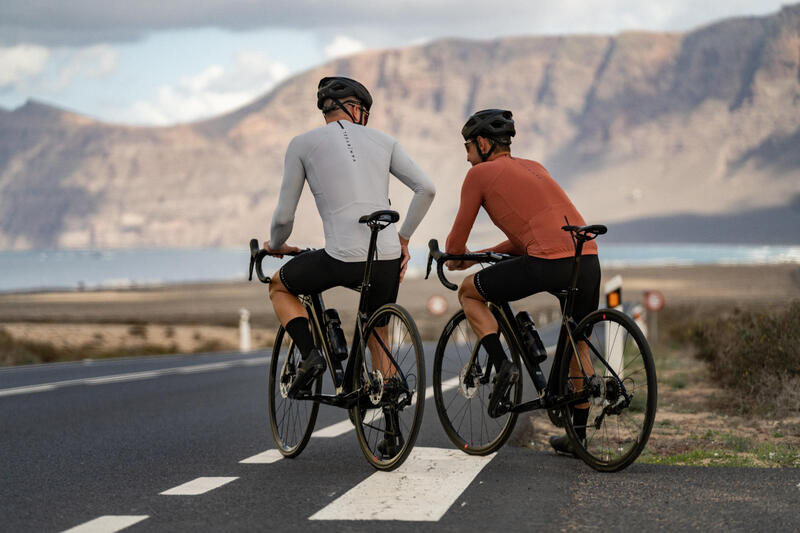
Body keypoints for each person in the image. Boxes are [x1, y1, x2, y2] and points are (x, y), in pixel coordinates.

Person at [265, 76, 435, 407]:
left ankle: (311, 355)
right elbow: (426, 189)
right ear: (355, 108)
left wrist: (276, 244)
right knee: (378, 330)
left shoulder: (302, 143)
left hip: (340, 258)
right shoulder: (385, 141)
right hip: (385, 256)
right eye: (364, 111)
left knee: (279, 286)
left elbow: (284, 217)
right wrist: (402, 240)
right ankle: (390, 429)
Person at [444, 109, 600, 457]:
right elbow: (528, 236)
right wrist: (484, 254)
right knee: (579, 340)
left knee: (469, 291)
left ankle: (503, 367)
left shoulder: (479, 174)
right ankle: (578, 437)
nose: (467, 155)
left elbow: (455, 247)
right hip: (586, 255)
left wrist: (458, 258)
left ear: (483, 143)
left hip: (548, 261)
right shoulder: (535, 167)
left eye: (468, 146)